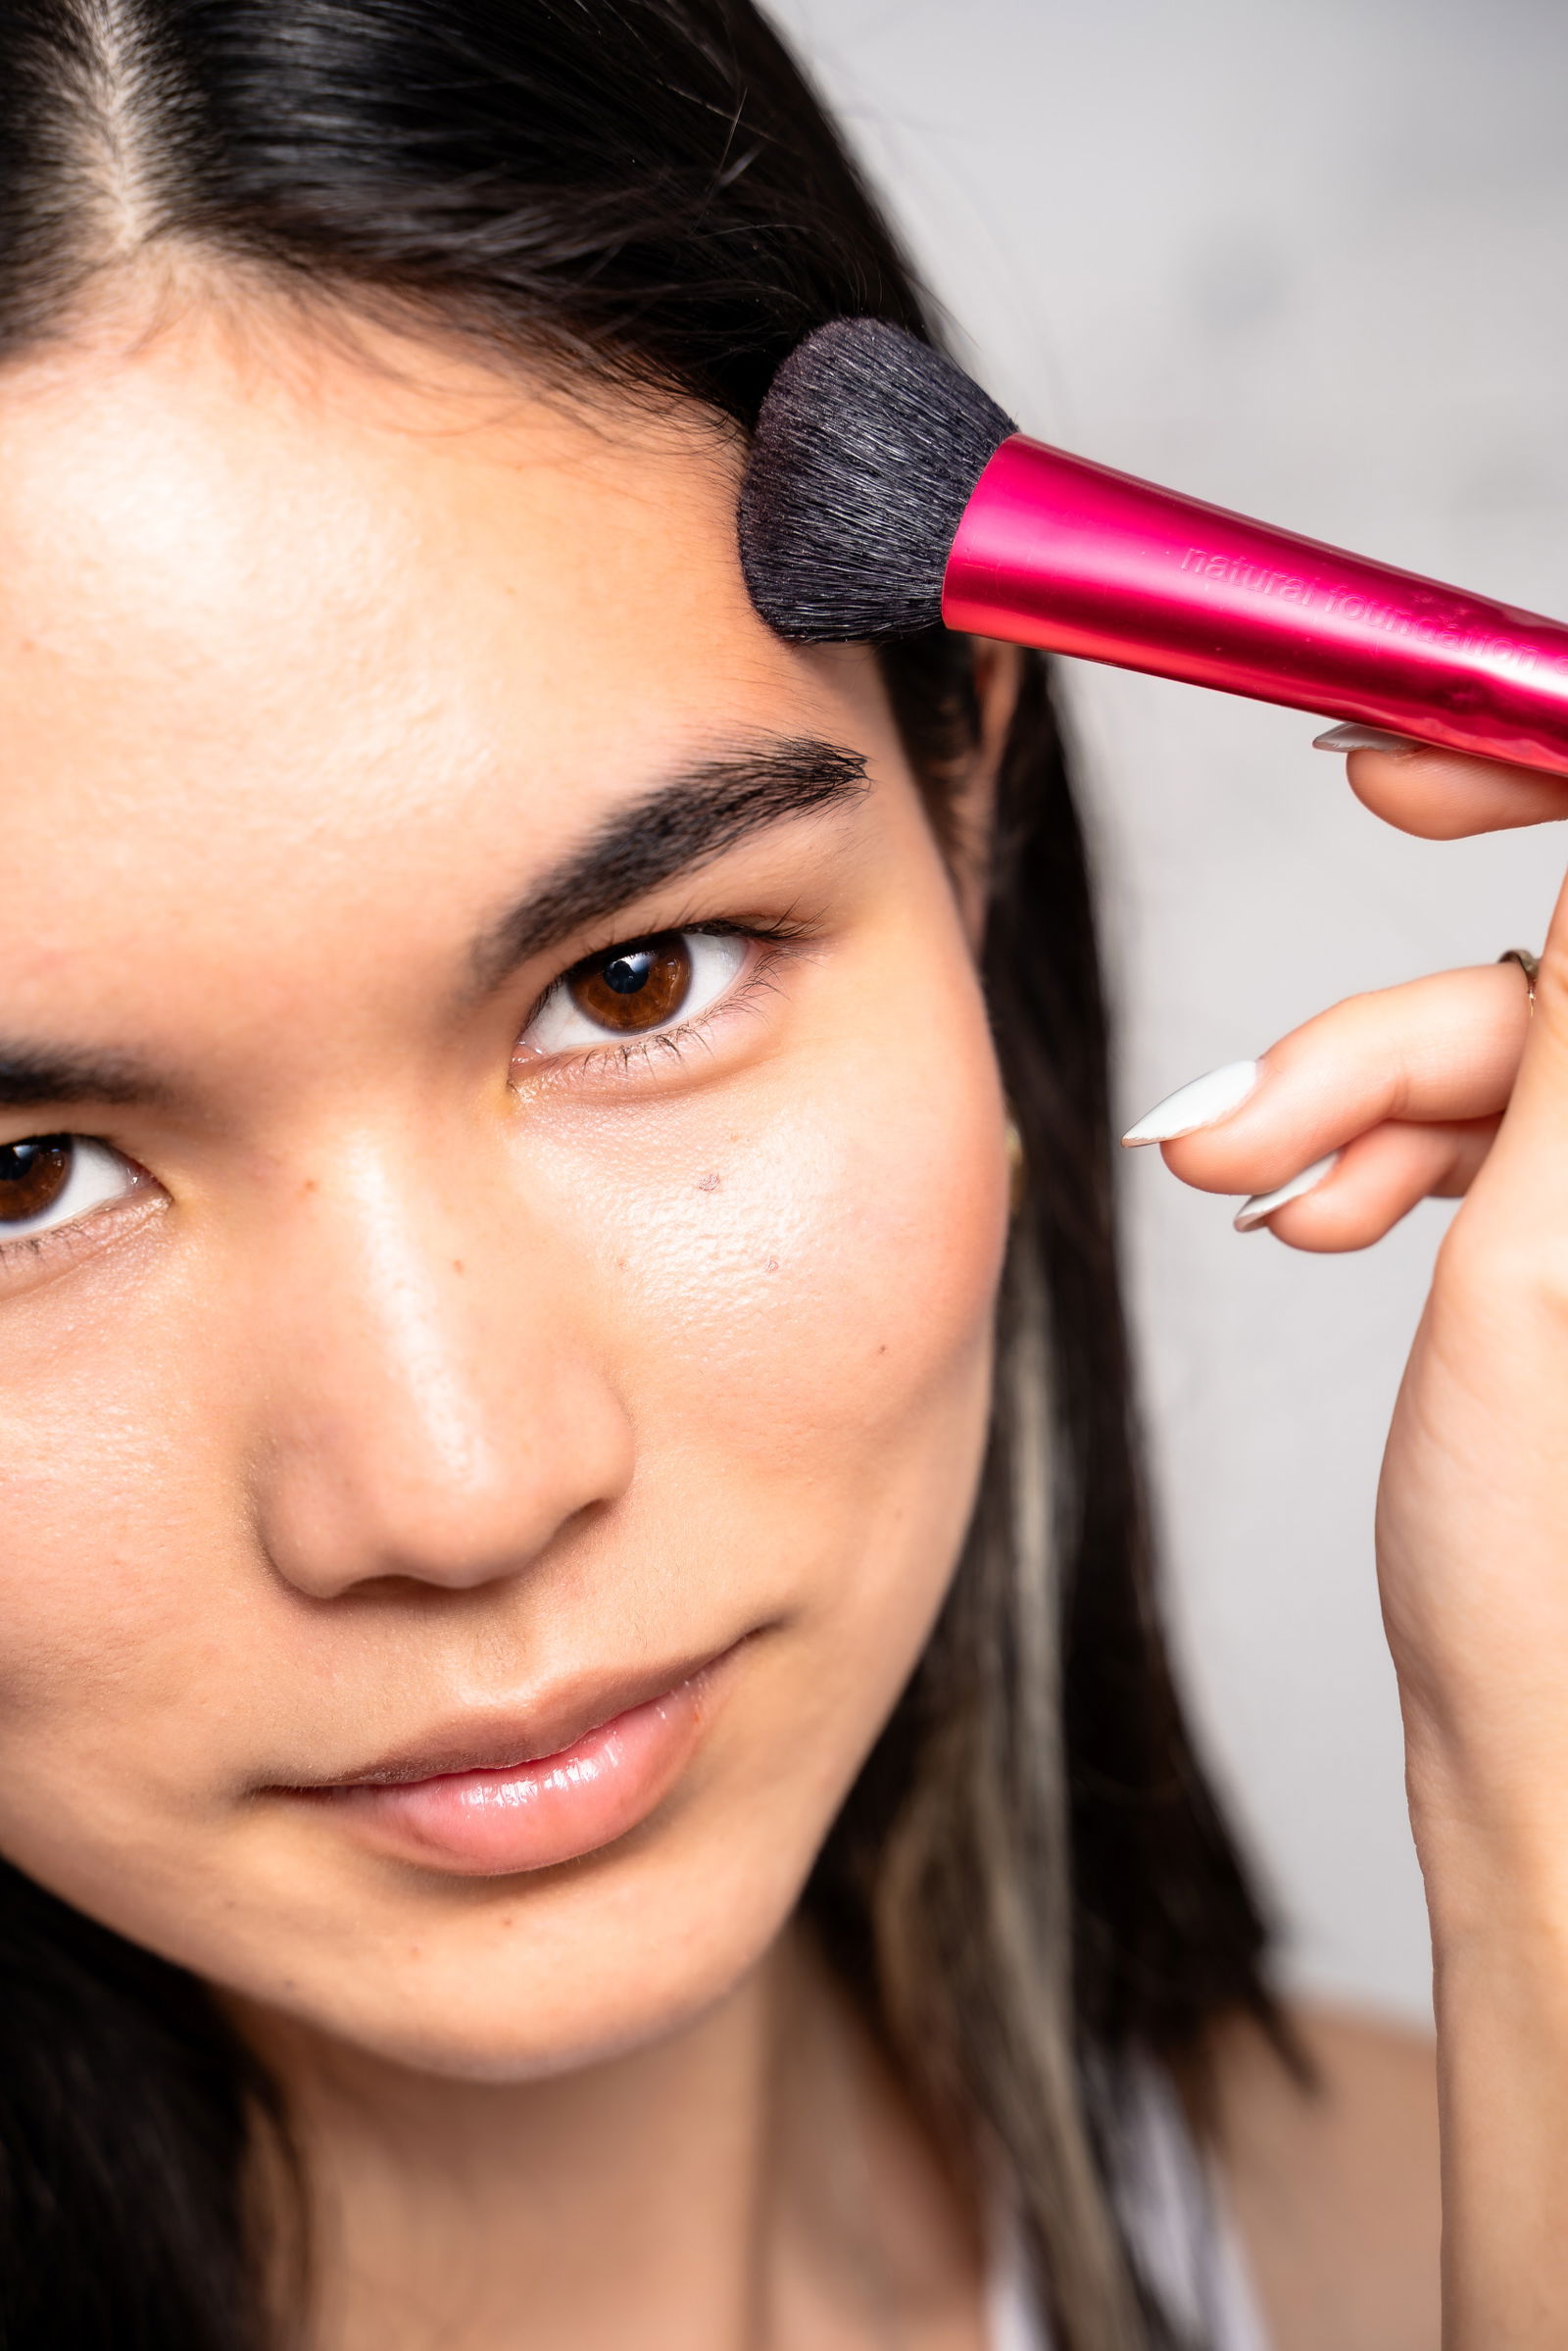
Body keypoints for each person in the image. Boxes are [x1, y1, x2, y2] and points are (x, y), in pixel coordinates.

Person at [0, 2, 1556, 2344]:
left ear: (962, 816)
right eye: (19, 1174)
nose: (455, 1490)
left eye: (634, 986)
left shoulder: (1434, 2216)